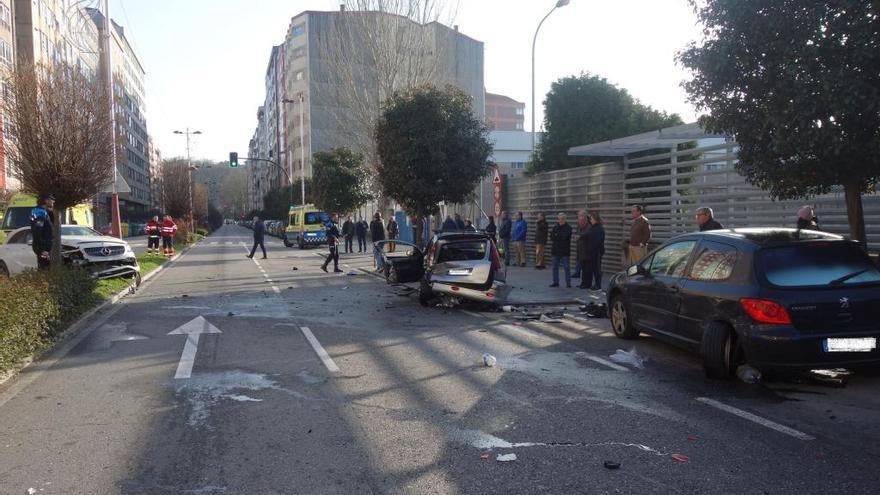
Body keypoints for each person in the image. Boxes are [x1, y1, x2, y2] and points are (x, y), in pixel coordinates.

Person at [29, 193, 55, 271]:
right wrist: (42, 249)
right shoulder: (39, 212)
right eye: (51, 199)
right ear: (46, 201)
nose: (53, 201)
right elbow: (38, 231)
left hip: (45, 247)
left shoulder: (44, 211)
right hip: (42, 248)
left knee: (46, 268)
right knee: (44, 269)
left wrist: (50, 212)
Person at [583, 212, 606, 291]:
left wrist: (591, 248)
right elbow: (588, 235)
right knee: (593, 269)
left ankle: (598, 285)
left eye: (591, 219)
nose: (590, 220)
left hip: (597, 252)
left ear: (596, 219)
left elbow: (598, 241)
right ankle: (596, 284)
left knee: (597, 269)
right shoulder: (593, 227)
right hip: (592, 251)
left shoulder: (599, 228)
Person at [549, 212, 573, 288]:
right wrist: (557, 236)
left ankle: (568, 283)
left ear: (565, 219)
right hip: (555, 251)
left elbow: (564, 237)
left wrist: (557, 235)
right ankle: (555, 282)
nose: (561, 220)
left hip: (564, 251)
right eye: (560, 219)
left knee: (566, 268)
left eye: (563, 219)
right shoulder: (555, 227)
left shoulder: (569, 228)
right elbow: (552, 237)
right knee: (554, 267)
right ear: (558, 219)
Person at [573, 210, 590, 279]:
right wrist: (575, 236)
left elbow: (588, 233)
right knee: (578, 259)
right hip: (579, 246)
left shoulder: (589, 225)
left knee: (585, 263)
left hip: (586, 247)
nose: (580, 218)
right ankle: (577, 272)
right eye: (579, 216)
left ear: (585, 216)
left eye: (582, 216)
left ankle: (585, 277)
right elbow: (577, 232)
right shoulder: (579, 224)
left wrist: (580, 236)